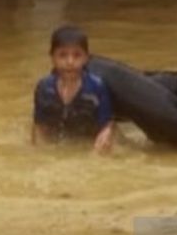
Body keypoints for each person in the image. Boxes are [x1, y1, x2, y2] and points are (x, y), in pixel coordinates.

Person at [32, 26, 115, 154]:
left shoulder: (97, 88)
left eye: (77, 55)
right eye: (62, 55)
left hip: (86, 138)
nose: (70, 62)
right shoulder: (44, 88)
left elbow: (107, 125)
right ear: (52, 58)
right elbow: (39, 126)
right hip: (58, 139)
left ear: (86, 58)